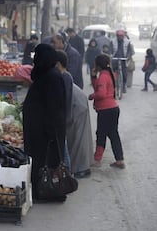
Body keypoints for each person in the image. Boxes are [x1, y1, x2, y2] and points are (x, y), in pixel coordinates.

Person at [23, 43, 67, 202]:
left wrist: (50, 132)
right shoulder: (44, 73)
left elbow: (54, 108)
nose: (35, 58)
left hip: (46, 131)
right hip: (38, 129)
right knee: (39, 161)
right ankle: (39, 190)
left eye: (38, 55)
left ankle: (48, 192)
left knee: (46, 161)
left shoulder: (53, 77)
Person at [56, 50, 94, 178]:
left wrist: (66, 118)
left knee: (78, 138)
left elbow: (66, 99)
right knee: (76, 137)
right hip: (77, 102)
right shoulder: (62, 74)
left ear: (58, 64)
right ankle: (81, 166)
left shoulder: (65, 76)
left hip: (77, 105)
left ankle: (81, 169)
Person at [88, 54, 125, 169]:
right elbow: (99, 88)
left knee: (101, 134)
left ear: (97, 65)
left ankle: (97, 159)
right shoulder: (110, 74)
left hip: (106, 110)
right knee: (113, 134)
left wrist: (91, 96)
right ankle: (119, 160)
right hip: (112, 108)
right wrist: (94, 78)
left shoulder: (103, 76)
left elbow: (101, 93)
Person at [110, 29, 135, 93]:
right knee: (112, 72)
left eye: (121, 36)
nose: (120, 37)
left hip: (123, 59)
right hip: (115, 58)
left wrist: (128, 56)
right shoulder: (113, 41)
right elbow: (110, 49)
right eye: (118, 36)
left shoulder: (127, 41)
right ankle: (112, 85)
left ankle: (123, 85)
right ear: (116, 36)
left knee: (124, 73)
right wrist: (110, 55)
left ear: (123, 36)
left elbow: (129, 50)